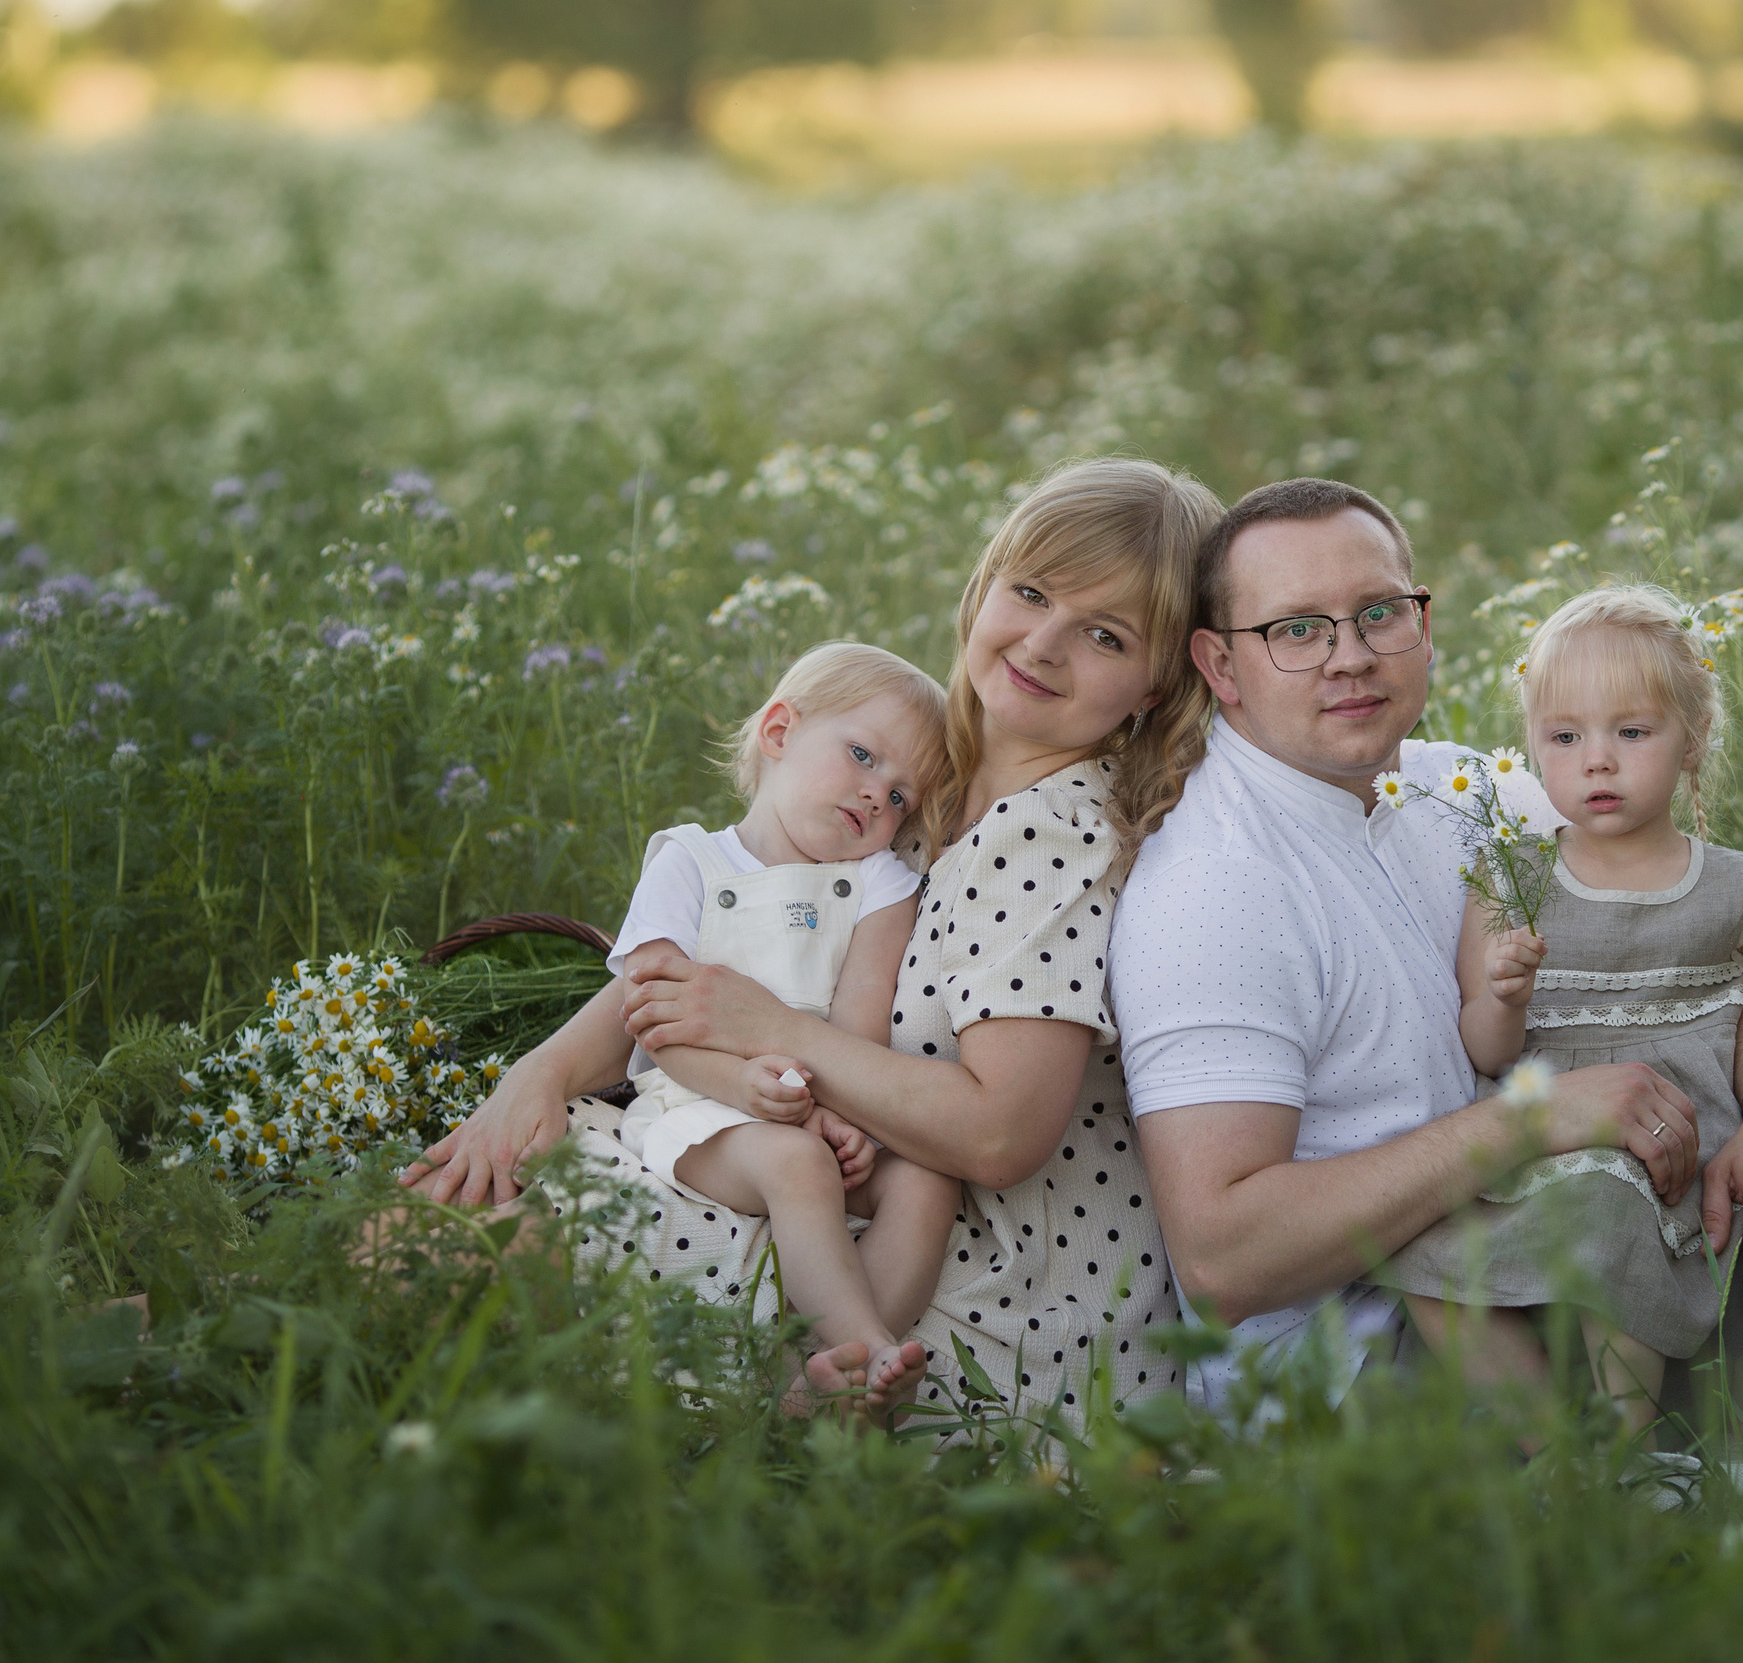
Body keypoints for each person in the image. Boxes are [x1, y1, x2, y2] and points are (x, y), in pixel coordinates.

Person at [1114, 477, 1743, 1422]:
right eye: (1296, 629)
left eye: (1379, 612)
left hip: (1571, 1246)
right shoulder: (1215, 887)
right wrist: (1533, 1120)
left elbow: (1695, 920)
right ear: (1221, 664)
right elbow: (1223, 1256)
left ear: (1422, 623)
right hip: (1407, 1367)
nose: (1350, 654)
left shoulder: (1449, 789)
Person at [408, 457, 1223, 1428]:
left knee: (469, 1242)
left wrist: (765, 1032)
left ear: (1154, 686)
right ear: (985, 585)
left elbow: (1000, 1135)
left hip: (991, 1276)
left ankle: (813, 1396)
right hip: (836, 1172)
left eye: (1103, 634)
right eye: (1032, 592)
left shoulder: (1051, 835)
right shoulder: (927, 787)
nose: (1043, 644)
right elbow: (714, 951)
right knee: (459, 1192)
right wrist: (537, 1078)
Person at [1379, 583, 1743, 1437]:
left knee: (1617, 1215)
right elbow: (1485, 1049)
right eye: (1565, 737)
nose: (1597, 760)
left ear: (1693, 740)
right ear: (1534, 747)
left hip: (1672, 1163)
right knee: (1423, 1262)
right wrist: (1504, 992)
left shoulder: (1737, 886)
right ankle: (1559, 1455)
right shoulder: (1509, 879)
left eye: (1631, 732)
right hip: (1547, 1153)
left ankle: (1627, 1451)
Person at [595, 640, 954, 1409]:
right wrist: (743, 1086)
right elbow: (657, 1025)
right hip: (697, 1107)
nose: (876, 796)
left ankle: (801, 1382)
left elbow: (857, 1023)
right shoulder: (689, 861)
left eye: (900, 797)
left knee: (926, 1182)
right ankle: (864, 1350)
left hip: (820, 1105)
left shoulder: (881, 883)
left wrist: (844, 1114)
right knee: (794, 1163)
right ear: (781, 731)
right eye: (861, 756)